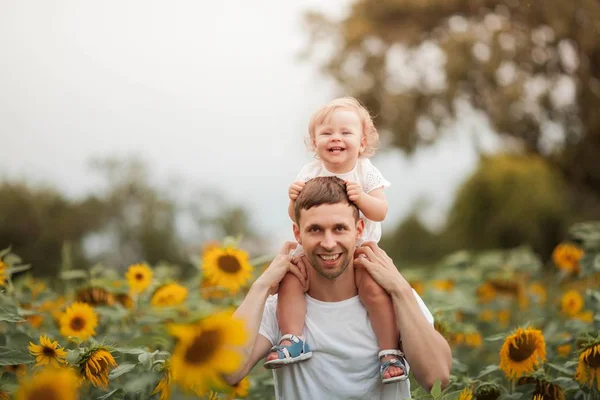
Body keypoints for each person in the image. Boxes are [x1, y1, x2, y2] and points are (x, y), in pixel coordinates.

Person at [225, 177, 451, 399]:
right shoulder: (279, 308)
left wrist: (401, 290)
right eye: (315, 230)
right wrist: (261, 286)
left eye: (340, 228)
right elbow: (228, 372)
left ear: (359, 229)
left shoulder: (394, 299)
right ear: (297, 234)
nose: (329, 242)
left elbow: (436, 379)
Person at [266, 97, 405, 384]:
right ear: (314, 143)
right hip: (314, 250)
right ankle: (293, 338)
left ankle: (390, 352)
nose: (335, 138)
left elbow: (381, 210)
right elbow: (297, 217)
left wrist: (362, 197)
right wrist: (293, 200)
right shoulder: (309, 173)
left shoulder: (365, 172)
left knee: (374, 291)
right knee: (290, 281)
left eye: (345, 132)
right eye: (327, 133)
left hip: (360, 250)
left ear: (362, 142)